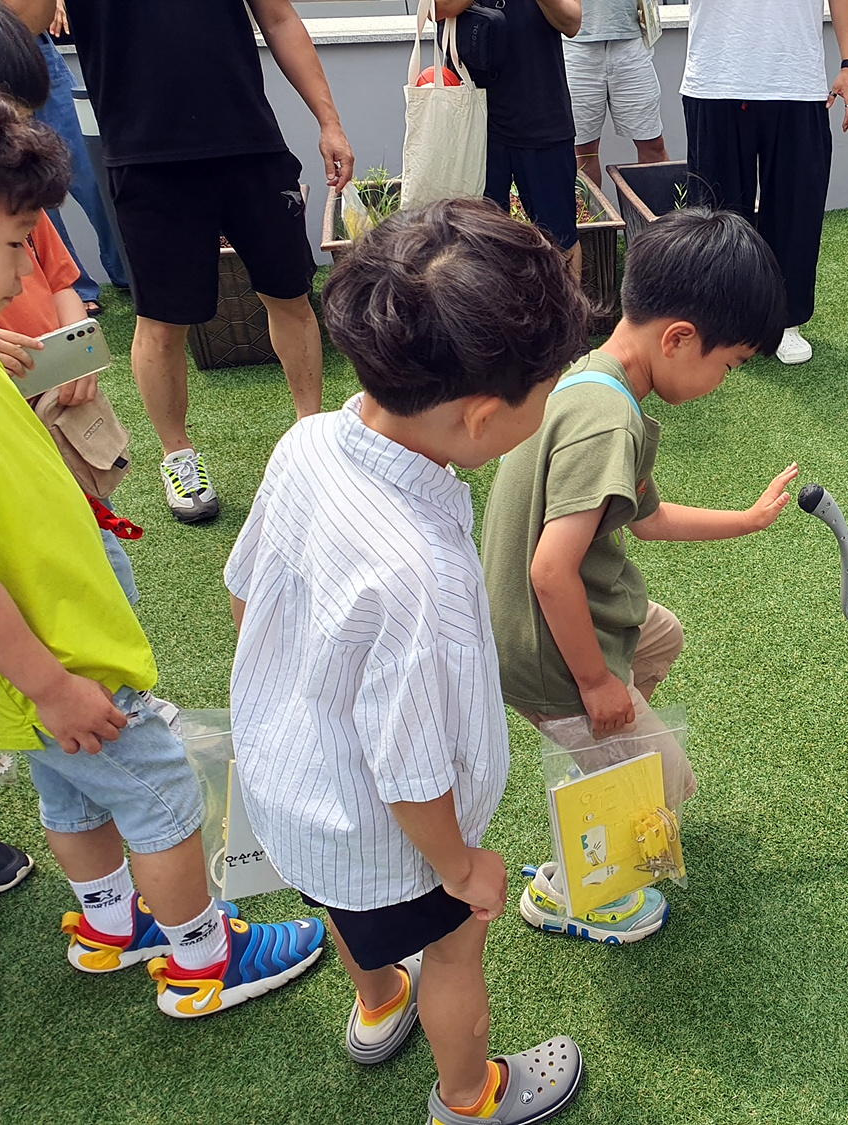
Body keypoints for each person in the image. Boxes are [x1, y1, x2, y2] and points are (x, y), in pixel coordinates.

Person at [226, 198, 589, 1125]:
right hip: (397, 838)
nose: (549, 405)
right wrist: (461, 867)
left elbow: (246, 591)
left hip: (292, 794)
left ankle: (378, 1002)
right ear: (479, 416)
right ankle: (470, 1094)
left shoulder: (307, 442)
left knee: (354, 918)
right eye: (545, 392)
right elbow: (412, 771)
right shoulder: (418, 574)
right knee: (456, 949)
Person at [0, 88, 325, 1019]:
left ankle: (109, 923)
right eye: (19, 237)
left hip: (34, 676)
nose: (30, 258)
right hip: (66, 660)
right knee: (160, 790)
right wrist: (57, 683)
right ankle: (203, 956)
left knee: (71, 793)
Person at [482, 207, 795, 941]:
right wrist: (595, 684)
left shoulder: (599, 381)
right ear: (680, 338)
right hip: (541, 641)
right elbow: (552, 569)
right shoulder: (605, 420)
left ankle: (605, 762)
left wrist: (745, 519)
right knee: (668, 782)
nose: (726, 379)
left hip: (534, 621)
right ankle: (568, 889)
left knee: (659, 636)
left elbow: (645, 516)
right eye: (731, 363)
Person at [65, 0, 354, 525]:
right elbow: (22, 24)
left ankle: (311, 438)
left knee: (290, 296)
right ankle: (178, 456)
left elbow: (280, 18)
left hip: (251, 147)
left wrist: (329, 121)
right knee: (161, 322)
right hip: (146, 160)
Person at [681, 0, 848, 365]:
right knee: (718, 215)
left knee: (797, 208)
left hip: (795, 81)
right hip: (717, 79)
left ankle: (785, 321)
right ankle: (724, 320)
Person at [438, 0, 585, 279]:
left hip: (541, 110)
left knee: (559, 239)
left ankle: (568, 320)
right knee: (476, 241)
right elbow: (436, 9)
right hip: (473, 118)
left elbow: (571, 22)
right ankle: (490, 319)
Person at [39, 4, 129, 316]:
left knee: (93, 173)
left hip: (34, 47)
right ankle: (74, 287)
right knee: (29, 191)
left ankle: (130, 271)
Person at [566, 0, 671, 187]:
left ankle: (662, 215)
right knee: (583, 151)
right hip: (575, 44)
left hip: (631, 41)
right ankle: (594, 216)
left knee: (652, 144)